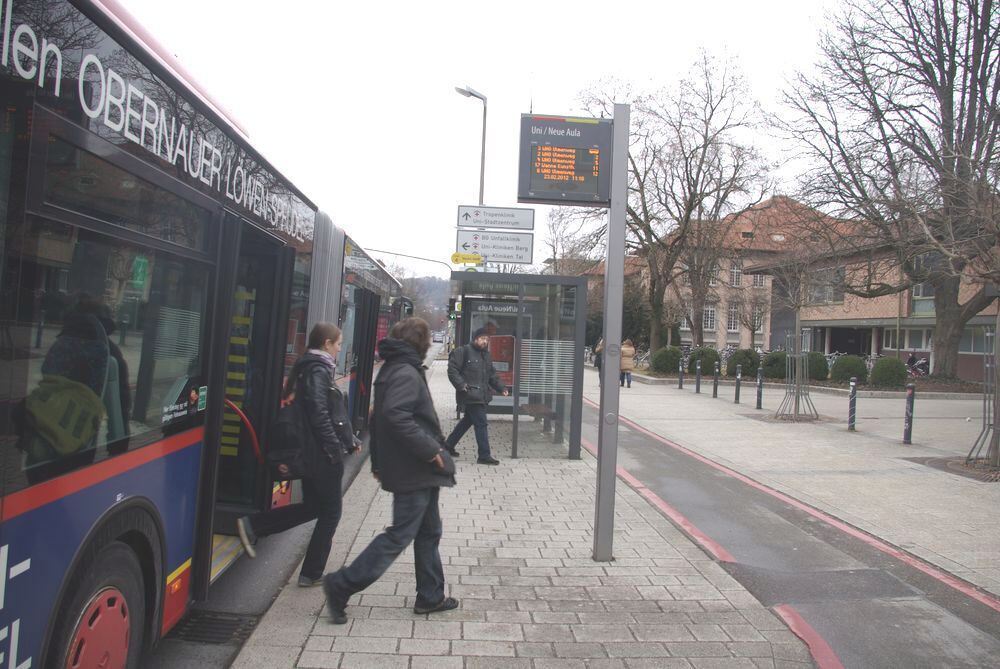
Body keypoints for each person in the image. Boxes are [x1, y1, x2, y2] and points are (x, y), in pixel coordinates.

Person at [323, 317, 457, 625]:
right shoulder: (406, 372)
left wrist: (379, 463)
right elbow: (394, 417)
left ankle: (431, 596)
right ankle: (341, 584)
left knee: (429, 531)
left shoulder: (394, 368)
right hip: (415, 468)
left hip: (412, 468)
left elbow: (377, 420)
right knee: (400, 534)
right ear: (421, 343)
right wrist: (432, 451)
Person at [236, 323, 358, 587]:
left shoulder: (310, 367)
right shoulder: (318, 369)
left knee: (314, 507)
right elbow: (319, 413)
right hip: (321, 455)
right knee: (331, 512)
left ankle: (255, 525)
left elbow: (326, 413)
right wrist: (333, 448)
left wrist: (350, 439)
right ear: (326, 344)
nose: (340, 349)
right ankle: (310, 572)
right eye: (338, 344)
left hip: (315, 452)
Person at [444, 327, 508, 465]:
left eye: (487, 339)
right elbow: (452, 370)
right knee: (481, 423)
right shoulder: (463, 351)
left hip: (481, 395)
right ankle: (484, 455)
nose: (485, 341)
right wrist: (461, 385)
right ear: (475, 339)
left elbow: (492, 375)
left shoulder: (486, 355)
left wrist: (501, 388)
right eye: (482, 338)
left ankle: (448, 446)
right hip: (470, 395)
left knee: (467, 421)